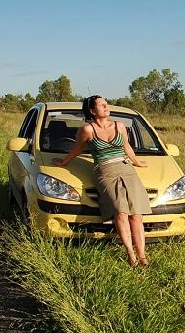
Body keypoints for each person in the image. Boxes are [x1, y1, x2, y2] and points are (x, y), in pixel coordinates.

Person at [52, 95, 152, 267]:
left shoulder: (119, 126)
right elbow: (77, 149)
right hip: (105, 171)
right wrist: (64, 162)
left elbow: (126, 147)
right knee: (120, 213)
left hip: (126, 169)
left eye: (106, 103)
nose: (106, 106)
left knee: (136, 214)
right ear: (92, 111)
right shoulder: (87, 130)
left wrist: (137, 162)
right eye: (101, 104)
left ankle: (142, 255)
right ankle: (130, 253)